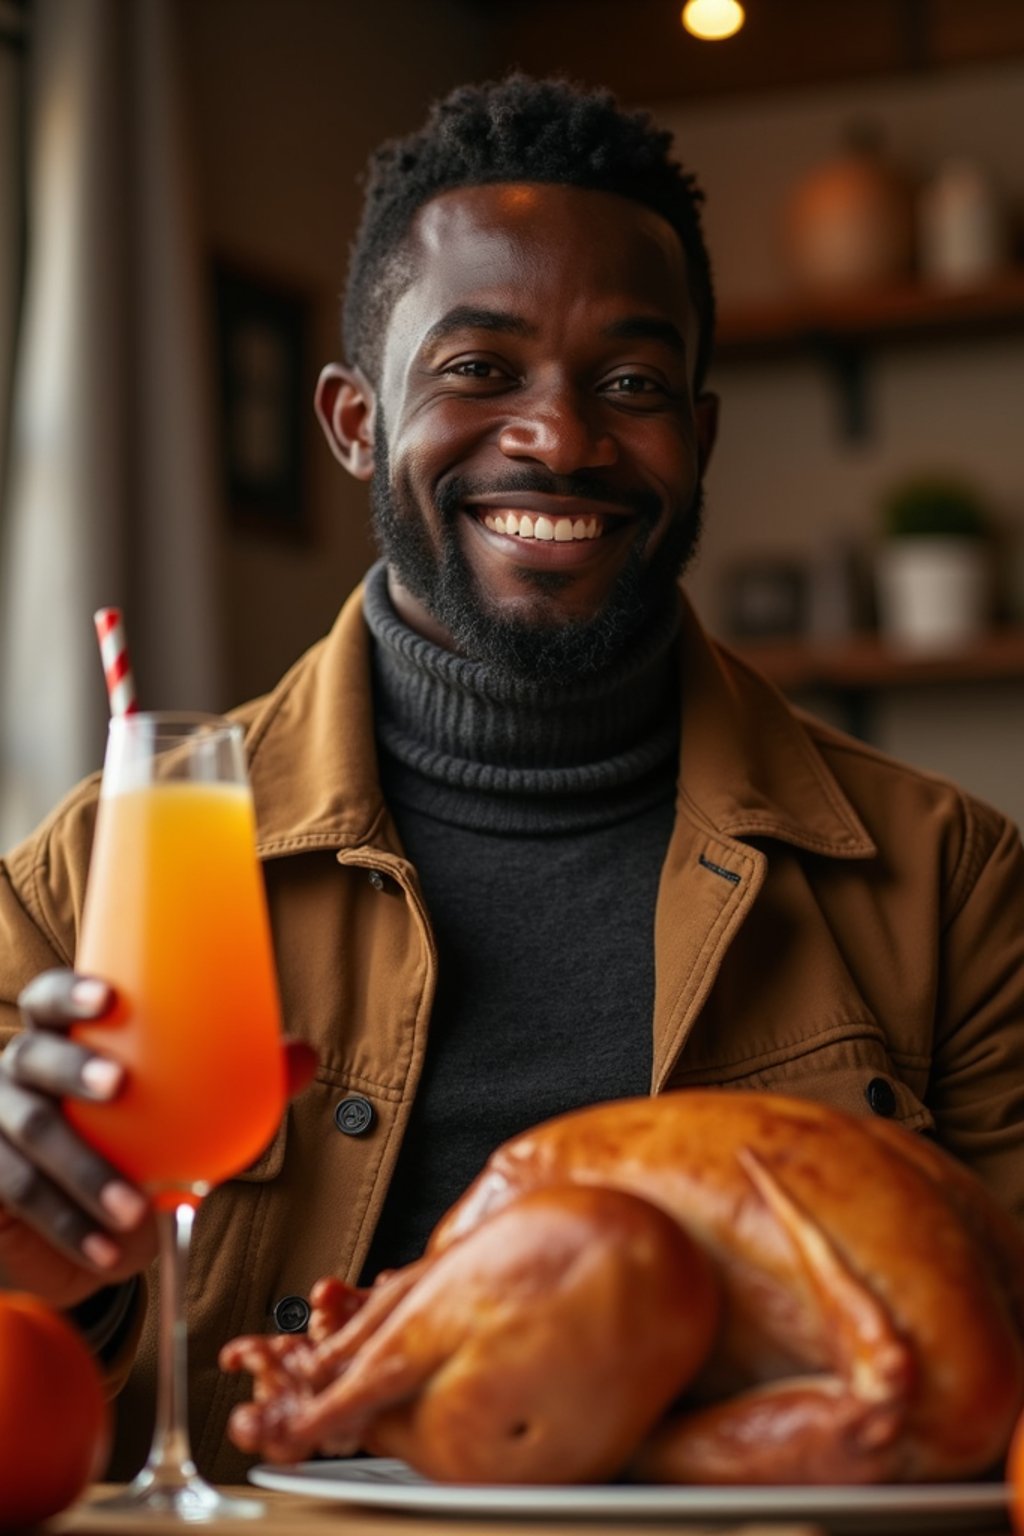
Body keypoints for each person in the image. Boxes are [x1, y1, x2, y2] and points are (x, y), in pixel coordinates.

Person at [0, 73, 1023, 1485]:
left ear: (701, 439)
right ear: (355, 421)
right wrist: (47, 1263)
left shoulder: (955, 886)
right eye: (479, 369)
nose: (561, 437)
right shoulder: (88, 884)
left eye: (632, 383)